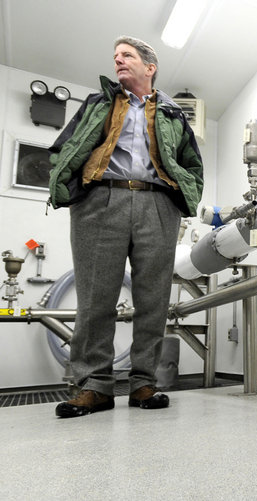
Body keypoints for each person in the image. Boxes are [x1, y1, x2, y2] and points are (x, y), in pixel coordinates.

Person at [48, 36, 203, 418]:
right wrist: (69, 188)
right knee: (95, 298)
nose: (118, 60)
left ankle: (143, 383)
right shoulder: (98, 103)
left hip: (157, 203)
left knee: (154, 298)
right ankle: (94, 386)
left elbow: (192, 164)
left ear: (150, 67)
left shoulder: (172, 113)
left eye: (127, 55)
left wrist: (179, 201)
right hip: (101, 200)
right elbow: (64, 148)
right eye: (115, 56)